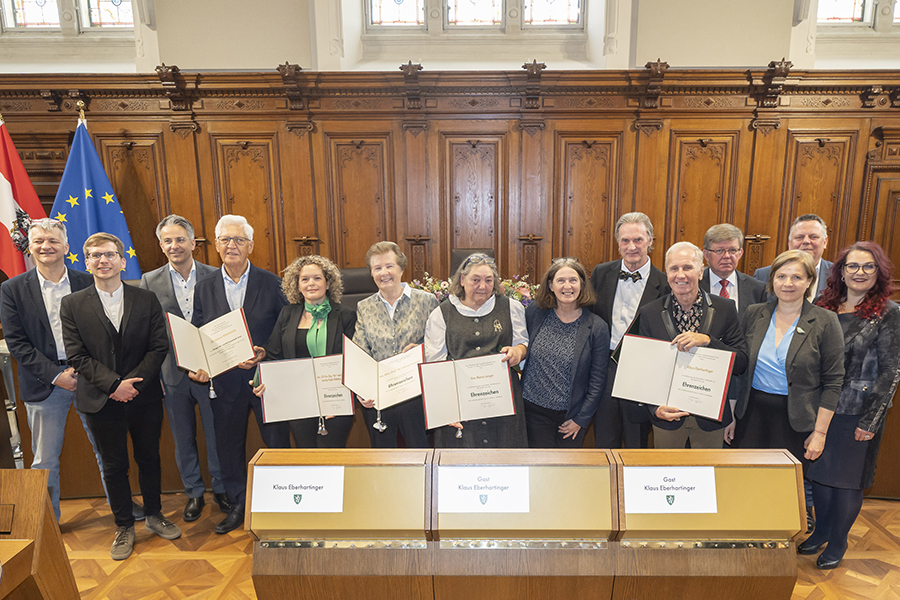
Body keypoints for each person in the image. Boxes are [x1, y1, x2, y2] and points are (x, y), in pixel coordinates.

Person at [60, 233, 179, 561]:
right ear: (86, 262)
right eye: (95, 255)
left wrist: (134, 385)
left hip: (144, 397)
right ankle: (124, 525)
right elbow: (77, 355)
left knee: (149, 459)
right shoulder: (71, 304)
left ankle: (154, 515)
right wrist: (114, 385)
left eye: (110, 254)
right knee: (114, 465)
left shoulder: (146, 298)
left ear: (122, 260)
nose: (103, 261)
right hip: (100, 400)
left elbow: (159, 346)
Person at [0, 218, 118, 522]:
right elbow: (17, 343)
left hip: (89, 379)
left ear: (66, 247)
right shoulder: (12, 289)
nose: (45, 246)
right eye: (38, 241)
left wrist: (88, 372)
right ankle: (48, 524)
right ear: (30, 247)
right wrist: (56, 375)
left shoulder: (86, 281)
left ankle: (122, 513)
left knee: (107, 452)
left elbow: (104, 331)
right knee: (44, 461)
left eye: (53, 240)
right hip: (45, 384)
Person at [800, 242, 900, 569]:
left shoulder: (889, 312)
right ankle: (821, 532)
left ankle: (838, 540)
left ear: (878, 273)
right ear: (840, 271)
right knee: (820, 478)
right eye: (853, 266)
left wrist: (870, 421)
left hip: (857, 411)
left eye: (868, 267)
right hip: (820, 409)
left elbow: (890, 370)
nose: (859, 273)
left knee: (846, 482)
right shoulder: (823, 305)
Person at [192, 215, 290, 534]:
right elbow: (197, 330)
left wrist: (265, 351)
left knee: (275, 443)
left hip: (266, 381)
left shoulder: (272, 282)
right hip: (224, 382)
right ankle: (239, 505)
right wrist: (199, 362)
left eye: (238, 240)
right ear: (216, 245)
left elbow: (283, 328)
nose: (231, 246)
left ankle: (282, 503)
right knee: (228, 446)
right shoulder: (204, 286)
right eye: (225, 240)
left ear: (250, 246)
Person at [734, 250, 844, 524]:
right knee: (746, 485)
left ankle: (779, 544)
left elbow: (833, 381)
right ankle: (747, 540)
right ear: (772, 281)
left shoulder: (825, 321)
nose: (788, 283)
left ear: (809, 281)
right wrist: (730, 415)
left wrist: (819, 432)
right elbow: (740, 368)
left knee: (783, 489)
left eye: (797, 277)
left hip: (796, 420)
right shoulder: (753, 313)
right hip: (751, 415)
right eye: (781, 276)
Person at [139, 215, 229, 522]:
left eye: (180, 239)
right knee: (183, 437)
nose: (174, 245)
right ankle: (193, 492)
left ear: (193, 242)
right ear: (161, 245)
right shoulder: (150, 281)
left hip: (211, 372)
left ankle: (220, 488)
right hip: (172, 374)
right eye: (168, 240)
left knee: (216, 434)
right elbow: (151, 331)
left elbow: (222, 323)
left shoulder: (216, 275)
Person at [637, 242, 748, 448]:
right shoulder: (649, 312)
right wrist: (654, 409)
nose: (680, 275)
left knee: (707, 477)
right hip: (668, 418)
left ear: (700, 272)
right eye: (674, 268)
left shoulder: (725, 308)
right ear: (667, 273)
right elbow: (643, 370)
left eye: (687, 267)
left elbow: (741, 362)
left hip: (710, 418)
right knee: (667, 478)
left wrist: (708, 341)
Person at [424, 253, 528, 447]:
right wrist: (446, 409)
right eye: (476, 280)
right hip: (461, 405)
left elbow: (523, 343)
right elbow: (435, 364)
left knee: (506, 461)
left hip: (504, 403)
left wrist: (518, 352)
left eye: (489, 280)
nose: (483, 286)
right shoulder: (441, 314)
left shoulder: (511, 308)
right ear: (462, 280)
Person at [253, 255, 356, 447]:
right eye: (305, 279)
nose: (311, 283)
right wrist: (260, 379)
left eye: (317, 278)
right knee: (306, 454)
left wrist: (339, 397)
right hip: (298, 401)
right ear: (297, 285)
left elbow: (353, 362)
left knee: (332, 457)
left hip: (335, 402)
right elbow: (274, 354)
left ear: (328, 283)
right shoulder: (287, 314)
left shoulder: (346, 315)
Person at [589, 212, 669, 448]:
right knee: (604, 437)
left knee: (637, 440)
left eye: (638, 240)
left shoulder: (664, 283)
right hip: (604, 367)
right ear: (618, 243)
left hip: (642, 371)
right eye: (625, 240)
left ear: (650, 241)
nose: (631, 246)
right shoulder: (600, 273)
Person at [352, 242, 438, 447]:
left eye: (389, 266)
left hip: (417, 398)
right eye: (377, 268)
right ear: (371, 273)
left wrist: (423, 350)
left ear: (401, 267)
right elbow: (359, 352)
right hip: (379, 400)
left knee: (421, 456)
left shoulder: (427, 301)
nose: (384, 273)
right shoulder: (364, 307)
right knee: (384, 462)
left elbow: (441, 345)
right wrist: (361, 390)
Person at [522, 258, 609, 448]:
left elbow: (598, 380)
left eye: (573, 280)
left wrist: (581, 419)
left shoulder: (597, 327)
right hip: (533, 412)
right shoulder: (535, 313)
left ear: (582, 285)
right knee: (539, 470)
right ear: (551, 285)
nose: (567, 286)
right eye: (561, 280)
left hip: (571, 418)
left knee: (566, 472)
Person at [700, 223, 767, 444]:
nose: (727, 256)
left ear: (741, 252)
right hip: (699, 377)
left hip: (741, 380)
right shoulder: (692, 284)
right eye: (719, 250)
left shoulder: (758, 289)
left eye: (733, 250)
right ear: (706, 254)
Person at [754, 214, 833, 297]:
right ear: (789, 243)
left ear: (825, 242)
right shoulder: (763, 275)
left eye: (813, 237)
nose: (806, 241)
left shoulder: (837, 274)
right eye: (799, 237)